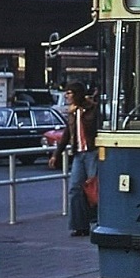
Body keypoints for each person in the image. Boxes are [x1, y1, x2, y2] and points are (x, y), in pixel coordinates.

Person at [49, 82, 99, 237]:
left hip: (92, 152)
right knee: (75, 189)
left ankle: (98, 222)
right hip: (78, 153)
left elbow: (97, 128)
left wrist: (82, 112)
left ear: (77, 94)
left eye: (69, 93)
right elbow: (66, 134)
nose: (66, 96)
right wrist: (56, 154)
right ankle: (79, 225)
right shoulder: (72, 113)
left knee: (94, 189)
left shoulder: (93, 109)